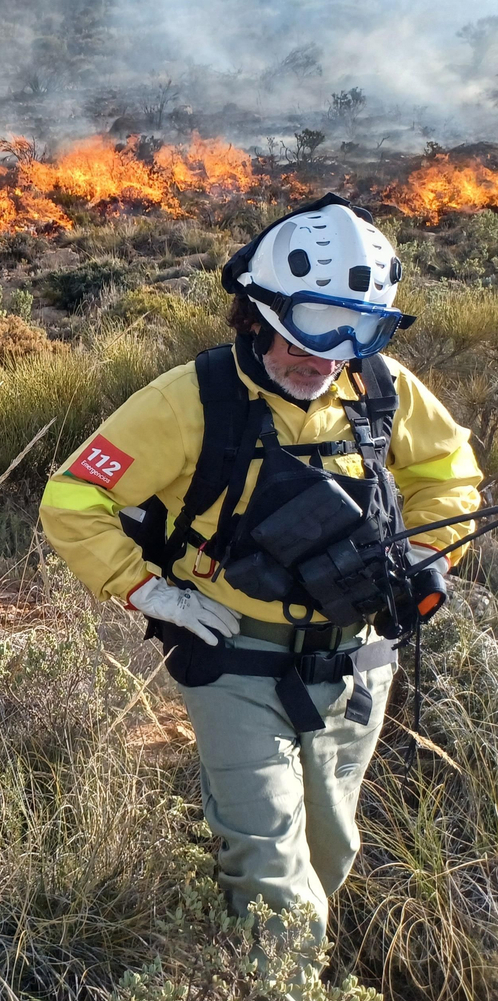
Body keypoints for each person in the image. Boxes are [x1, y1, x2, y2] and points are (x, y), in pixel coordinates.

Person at [40, 193, 482, 951]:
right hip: (234, 659)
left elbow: (450, 472)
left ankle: (259, 977)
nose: (329, 352)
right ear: (262, 310)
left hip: (355, 662)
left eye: (360, 329)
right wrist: (150, 591)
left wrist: (427, 559)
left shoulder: (380, 386)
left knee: (328, 852)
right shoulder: (193, 398)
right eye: (313, 324)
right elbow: (74, 496)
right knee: (273, 871)